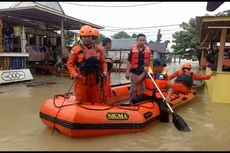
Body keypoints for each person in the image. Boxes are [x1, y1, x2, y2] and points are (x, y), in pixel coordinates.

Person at [67, 25, 107, 104]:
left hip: (95, 81)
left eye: (88, 36)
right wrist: (74, 74)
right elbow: (70, 64)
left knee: (96, 102)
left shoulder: (99, 49)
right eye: (84, 37)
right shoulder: (75, 50)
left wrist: (104, 72)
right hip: (81, 81)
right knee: (81, 103)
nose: (87, 38)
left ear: (92, 37)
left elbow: (103, 62)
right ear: (81, 37)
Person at [131, 58, 170, 122]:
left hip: (160, 95)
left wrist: (168, 96)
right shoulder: (147, 72)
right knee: (134, 100)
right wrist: (144, 73)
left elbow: (170, 87)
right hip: (148, 94)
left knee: (164, 110)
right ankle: (134, 116)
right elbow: (137, 82)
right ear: (155, 66)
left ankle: (163, 124)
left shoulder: (165, 74)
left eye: (163, 66)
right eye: (161, 66)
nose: (162, 68)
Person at [125, 33, 152, 103]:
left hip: (144, 72)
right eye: (140, 40)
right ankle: (131, 102)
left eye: (143, 40)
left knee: (143, 89)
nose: (142, 42)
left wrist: (150, 72)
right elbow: (129, 61)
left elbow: (150, 62)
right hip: (134, 71)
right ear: (137, 40)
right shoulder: (132, 49)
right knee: (133, 89)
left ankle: (141, 103)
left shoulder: (148, 49)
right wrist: (127, 72)